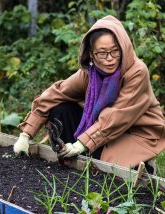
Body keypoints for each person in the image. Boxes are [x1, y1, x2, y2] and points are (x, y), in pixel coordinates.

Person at [13, 15, 165, 173]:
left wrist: (82, 143)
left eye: (115, 51)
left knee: (112, 172)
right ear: (91, 54)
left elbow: (117, 117)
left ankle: (145, 166)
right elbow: (56, 93)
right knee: (60, 109)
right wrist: (26, 134)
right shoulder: (89, 73)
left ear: (123, 48)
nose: (110, 59)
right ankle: (72, 159)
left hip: (135, 132)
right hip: (101, 130)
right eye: (102, 53)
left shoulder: (137, 72)